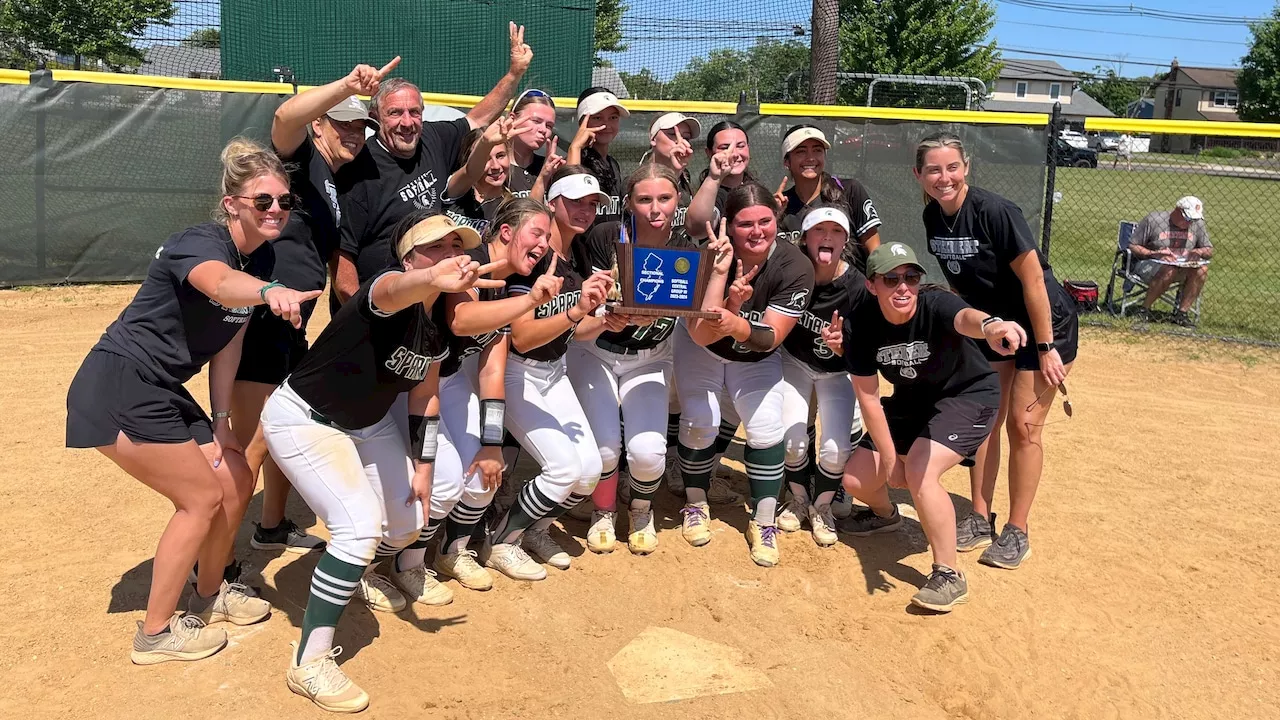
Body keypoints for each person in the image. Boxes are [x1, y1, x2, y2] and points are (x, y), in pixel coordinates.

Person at [66, 138, 319, 665]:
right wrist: (267, 291)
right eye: (262, 201)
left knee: (233, 480)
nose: (276, 210)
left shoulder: (262, 255)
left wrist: (222, 420)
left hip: (162, 388)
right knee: (201, 497)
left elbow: (229, 341)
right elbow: (221, 286)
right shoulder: (198, 243)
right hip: (119, 382)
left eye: (284, 201)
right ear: (232, 204)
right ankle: (154, 635)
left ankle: (209, 596)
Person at [261, 212, 505, 712]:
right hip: (305, 419)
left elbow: (426, 400)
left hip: (366, 426)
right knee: (358, 527)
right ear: (411, 257)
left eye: (457, 246)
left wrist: (422, 464)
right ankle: (309, 663)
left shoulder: (435, 330)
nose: (451, 254)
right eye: (436, 247)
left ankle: (354, 573)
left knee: (413, 517)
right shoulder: (387, 291)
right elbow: (393, 289)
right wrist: (428, 279)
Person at [230, 61, 393, 560]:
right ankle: (214, 564)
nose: (354, 134)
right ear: (319, 125)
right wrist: (345, 86)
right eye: (341, 122)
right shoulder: (301, 163)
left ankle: (273, 527)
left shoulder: (334, 183)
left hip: (292, 323)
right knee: (251, 448)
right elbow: (284, 119)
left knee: (283, 429)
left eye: (360, 125)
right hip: (262, 319)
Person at [915, 132, 1078, 570]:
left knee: (1024, 426)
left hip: (1043, 322)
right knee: (985, 418)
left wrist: (1045, 348)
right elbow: (956, 282)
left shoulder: (996, 212)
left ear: (965, 168)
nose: (943, 177)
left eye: (952, 167)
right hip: (994, 326)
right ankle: (980, 517)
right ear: (919, 175)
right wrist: (969, 327)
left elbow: (1034, 281)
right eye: (933, 169)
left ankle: (1018, 531)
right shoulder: (934, 217)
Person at [835, 242, 1027, 613]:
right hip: (914, 400)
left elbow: (967, 318)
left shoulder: (935, 303)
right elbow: (869, 399)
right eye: (891, 279)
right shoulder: (860, 322)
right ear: (873, 286)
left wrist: (991, 326)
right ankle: (885, 516)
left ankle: (949, 574)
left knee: (922, 471)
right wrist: (891, 461)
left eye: (911, 277)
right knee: (856, 481)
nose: (903, 287)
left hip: (969, 395)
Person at [390, 198, 562, 596]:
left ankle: (452, 551)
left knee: (485, 471)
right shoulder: (472, 262)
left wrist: (491, 442)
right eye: (538, 233)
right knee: (446, 478)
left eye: (548, 238)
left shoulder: (510, 281)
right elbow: (461, 321)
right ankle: (406, 561)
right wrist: (530, 301)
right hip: (407, 384)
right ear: (506, 232)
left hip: (446, 380)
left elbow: (492, 368)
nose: (544, 246)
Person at [334, 21, 534, 300]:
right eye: (395, 113)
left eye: (414, 112)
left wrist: (515, 74)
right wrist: (360, 311)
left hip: (428, 297)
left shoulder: (433, 138)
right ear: (376, 118)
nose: (407, 122)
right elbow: (343, 253)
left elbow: (477, 117)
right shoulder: (360, 170)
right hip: (381, 301)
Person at [481, 165, 615, 577]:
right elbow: (521, 337)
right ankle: (501, 541)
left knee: (590, 472)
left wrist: (608, 320)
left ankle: (534, 527)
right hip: (518, 370)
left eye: (593, 204)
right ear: (553, 204)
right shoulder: (534, 261)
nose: (585, 210)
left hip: (553, 370)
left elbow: (573, 332)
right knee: (563, 469)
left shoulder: (572, 261)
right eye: (575, 201)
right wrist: (576, 310)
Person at [679, 184, 815, 567]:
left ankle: (765, 520)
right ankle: (696, 502)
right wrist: (722, 281)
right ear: (728, 225)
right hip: (700, 348)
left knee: (767, 427)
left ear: (777, 220)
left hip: (754, 352)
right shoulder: (703, 257)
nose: (757, 231)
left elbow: (768, 338)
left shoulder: (794, 266)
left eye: (765, 221)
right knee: (700, 422)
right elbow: (702, 334)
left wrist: (735, 319)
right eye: (745, 224)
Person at [567, 163, 692, 555]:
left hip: (651, 356)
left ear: (677, 201)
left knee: (648, 455)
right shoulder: (607, 235)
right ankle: (602, 510)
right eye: (644, 199)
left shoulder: (687, 247)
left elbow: (693, 307)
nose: (655, 208)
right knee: (605, 448)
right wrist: (610, 312)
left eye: (664, 198)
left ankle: (640, 508)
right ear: (628, 203)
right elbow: (583, 299)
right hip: (597, 351)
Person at [773, 206, 866, 547]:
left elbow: (867, 348)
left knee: (834, 448)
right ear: (806, 239)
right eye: (819, 231)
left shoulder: (857, 285)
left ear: (845, 241)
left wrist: (845, 346)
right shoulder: (795, 271)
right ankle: (798, 498)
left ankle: (822, 506)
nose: (827, 237)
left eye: (836, 232)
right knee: (792, 440)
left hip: (836, 372)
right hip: (795, 362)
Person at [776, 125, 882, 273]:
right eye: (801, 151)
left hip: (852, 292)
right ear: (787, 161)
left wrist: (877, 282)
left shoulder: (849, 190)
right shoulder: (780, 205)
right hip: (801, 291)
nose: (810, 157)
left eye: (817, 150)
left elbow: (874, 249)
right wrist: (772, 217)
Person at [442, 116, 539, 236]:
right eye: (486, 159)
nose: (496, 166)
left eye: (500, 156)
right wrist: (485, 143)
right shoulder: (457, 190)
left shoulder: (511, 209)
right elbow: (469, 171)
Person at [1129, 195, 1212, 327]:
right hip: (1150, 265)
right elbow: (1133, 246)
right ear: (1178, 211)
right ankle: (1143, 310)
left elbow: (1208, 250)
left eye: (1193, 219)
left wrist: (1199, 252)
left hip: (1182, 265)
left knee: (1202, 270)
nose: (1190, 223)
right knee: (1169, 270)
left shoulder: (1197, 224)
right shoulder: (1154, 220)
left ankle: (1181, 314)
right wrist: (1154, 254)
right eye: (1188, 219)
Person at [567, 87, 628, 225]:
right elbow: (569, 198)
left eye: (613, 117)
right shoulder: (575, 159)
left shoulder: (613, 164)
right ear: (582, 122)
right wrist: (575, 148)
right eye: (597, 117)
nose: (606, 125)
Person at [685, 120, 756, 233]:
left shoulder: (755, 189)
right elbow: (696, 228)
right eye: (724, 148)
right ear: (709, 152)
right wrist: (714, 178)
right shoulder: (713, 194)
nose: (734, 154)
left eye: (741, 146)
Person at [642, 112, 699, 234]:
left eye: (686, 137)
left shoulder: (686, 178)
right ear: (653, 139)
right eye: (672, 134)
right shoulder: (638, 180)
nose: (680, 141)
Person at [506, 88, 558, 198]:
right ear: (513, 119)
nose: (543, 130)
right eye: (536, 121)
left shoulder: (549, 168)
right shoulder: (495, 167)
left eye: (549, 125)